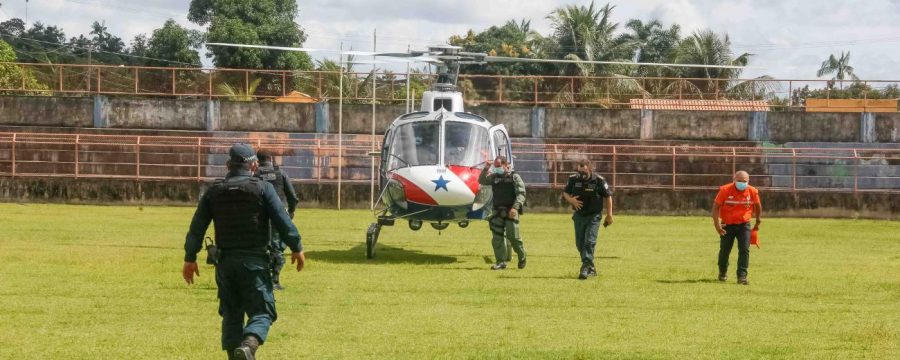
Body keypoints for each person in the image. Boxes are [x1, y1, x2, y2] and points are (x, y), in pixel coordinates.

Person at [182, 143, 306, 360]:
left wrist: (189, 258)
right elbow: (282, 219)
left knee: (231, 315)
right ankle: (249, 346)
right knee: (262, 312)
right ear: (253, 165)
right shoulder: (262, 188)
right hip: (254, 262)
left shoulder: (214, 191)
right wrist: (296, 247)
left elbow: (197, 227)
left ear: (228, 165)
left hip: (225, 264)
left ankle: (237, 355)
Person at [254, 150, 299, 291]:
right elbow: (292, 196)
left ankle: (262, 279)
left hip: (260, 216)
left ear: (258, 160)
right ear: (271, 159)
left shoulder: (255, 175)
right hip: (279, 215)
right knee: (277, 247)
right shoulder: (281, 173)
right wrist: (291, 211)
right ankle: (275, 280)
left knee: (262, 247)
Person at [562, 159, 614, 280]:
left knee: (589, 241)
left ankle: (585, 267)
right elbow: (565, 193)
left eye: (584, 172)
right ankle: (590, 267)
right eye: (579, 172)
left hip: (593, 216)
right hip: (579, 215)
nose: (581, 175)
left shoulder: (598, 180)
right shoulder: (573, 179)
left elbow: (608, 196)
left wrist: (609, 214)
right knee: (579, 243)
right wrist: (571, 200)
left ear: (589, 169)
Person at [712, 170, 762, 285]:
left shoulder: (752, 191)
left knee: (744, 250)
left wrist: (758, 220)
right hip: (727, 225)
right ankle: (722, 272)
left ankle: (742, 277)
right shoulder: (724, 190)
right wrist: (717, 225)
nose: (741, 183)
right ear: (734, 180)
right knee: (725, 251)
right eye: (739, 181)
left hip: (744, 225)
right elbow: (715, 207)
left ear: (748, 181)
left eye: (744, 181)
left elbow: (758, 205)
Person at [478, 155, 527, 270]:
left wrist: (515, 208)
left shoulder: (514, 177)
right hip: (497, 211)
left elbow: (521, 194)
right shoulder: (494, 177)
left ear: (506, 165)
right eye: (495, 166)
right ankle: (501, 262)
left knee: (513, 237)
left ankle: (522, 256)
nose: (496, 168)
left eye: (499, 166)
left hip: (511, 211)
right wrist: (486, 168)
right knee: (497, 238)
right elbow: (482, 180)